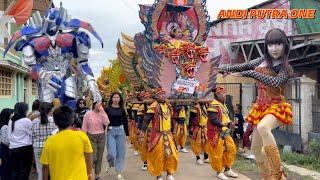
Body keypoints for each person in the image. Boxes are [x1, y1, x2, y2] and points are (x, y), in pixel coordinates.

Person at [218, 28, 294, 180]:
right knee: (256, 149)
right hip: (261, 108)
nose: (274, 48)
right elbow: (242, 66)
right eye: (271, 45)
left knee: (263, 127)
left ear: (285, 45)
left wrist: (250, 73)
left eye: (278, 44)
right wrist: (223, 68)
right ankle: (267, 176)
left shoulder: (286, 67)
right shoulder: (261, 61)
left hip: (276, 107)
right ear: (266, 46)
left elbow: (275, 82)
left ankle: (278, 173)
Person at [40, 106, 93, 180]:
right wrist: (89, 173)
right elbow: (89, 154)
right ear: (72, 120)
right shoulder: (81, 136)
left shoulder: (49, 141)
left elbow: (45, 166)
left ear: (55, 122)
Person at [142, 87, 178, 180]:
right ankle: (158, 175)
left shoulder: (169, 106)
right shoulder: (153, 106)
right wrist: (142, 131)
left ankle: (169, 173)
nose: (163, 95)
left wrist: (174, 129)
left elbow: (172, 119)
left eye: (163, 93)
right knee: (158, 155)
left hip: (168, 134)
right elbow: (146, 119)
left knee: (171, 154)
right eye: (160, 94)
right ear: (157, 96)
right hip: (157, 135)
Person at [206, 87, 238, 180]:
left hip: (225, 132)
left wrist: (230, 123)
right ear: (217, 95)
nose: (224, 96)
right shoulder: (213, 105)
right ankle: (219, 172)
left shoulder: (223, 105)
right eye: (222, 94)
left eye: (224, 93)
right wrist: (226, 124)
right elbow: (213, 120)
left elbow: (225, 117)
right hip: (216, 133)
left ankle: (227, 169)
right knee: (217, 153)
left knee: (231, 149)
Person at [82, 101, 109, 179]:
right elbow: (84, 126)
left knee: (99, 156)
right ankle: (89, 171)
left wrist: (103, 112)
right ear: (94, 104)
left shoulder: (102, 113)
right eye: (98, 103)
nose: (100, 105)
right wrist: (84, 138)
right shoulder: (88, 114)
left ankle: (97, 174)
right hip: (91, 136)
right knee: (93, 157)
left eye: (101, 103)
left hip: (101, 136)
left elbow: (106, 123)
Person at [105, 92, 129, 180]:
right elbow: (103, 121)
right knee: (112, 153)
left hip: (121, 131)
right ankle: (109, 161)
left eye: (117, 97)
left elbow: (125, 121)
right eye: (114, 97)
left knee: (121, 153)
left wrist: (127, 134)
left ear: (120, 99)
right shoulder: (107, 109)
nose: (116, 99)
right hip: (111, 131)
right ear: (111, 98)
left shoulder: (122, 109)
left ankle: (119, 173)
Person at [7, 102, 33, 180]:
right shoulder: (26, 120)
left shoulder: (11, 120)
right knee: (24, 171)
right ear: (23, 110)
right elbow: (32, 133)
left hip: (12, 148)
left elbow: (9, 135)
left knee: (15, 171)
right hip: (24, 149)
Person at [31, 102, 57, 180]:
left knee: (40, 171)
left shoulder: (35, 121)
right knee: (52, 169)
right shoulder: (53, 120)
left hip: (37, 147)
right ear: (50, 110)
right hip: (50, 147)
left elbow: (32, 136)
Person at [0, 108, 14, 180]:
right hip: (5, 149)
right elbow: (5, 141)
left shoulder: (3, 125)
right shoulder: (5, 127)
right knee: (6, 167)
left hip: (4, 149)